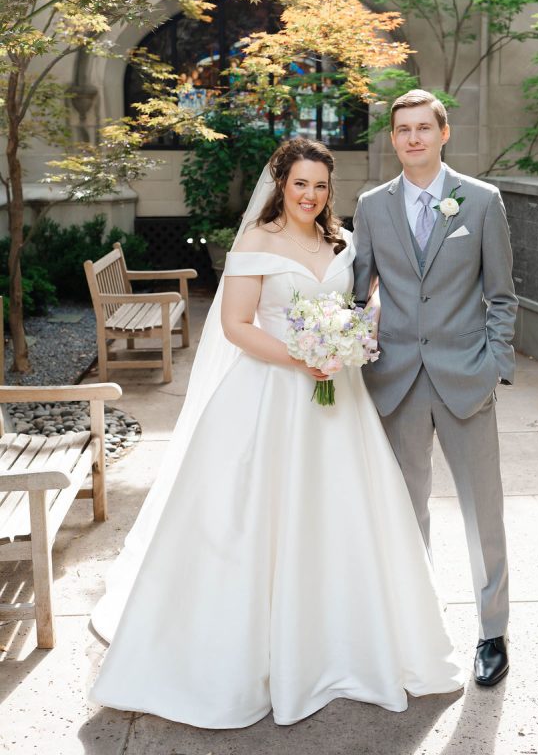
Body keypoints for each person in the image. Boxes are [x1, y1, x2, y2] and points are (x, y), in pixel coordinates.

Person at [90, 137, 464, 729]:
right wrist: (301, 356)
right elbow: (237, 325)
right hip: (269, 396)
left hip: (338, 401)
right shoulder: (256, 242)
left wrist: (353, 337)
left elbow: (364, 302)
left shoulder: (341, 242)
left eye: (320, 186)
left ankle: (342, 644)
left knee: (342, 513)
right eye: (300, 184)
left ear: (329, 191)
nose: (309, 196)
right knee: (261, 516)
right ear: (281, 186)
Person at [353, 90, 518, 688]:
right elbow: (357, 292)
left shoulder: (481, 200)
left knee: (482, 512)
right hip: (395, 380)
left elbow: (502, 294)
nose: (413, 138)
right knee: (405, 512)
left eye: (424, 127)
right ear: (393, 138)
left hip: (466, 377)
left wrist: (494, 363)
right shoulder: (371, 206)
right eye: (403, 129)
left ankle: (492, 632)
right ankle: (416, 629)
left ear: (443, 134)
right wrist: (351, 351)